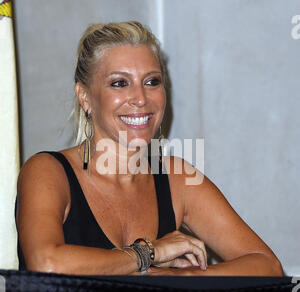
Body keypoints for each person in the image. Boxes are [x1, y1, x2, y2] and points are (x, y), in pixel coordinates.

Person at [16, 21, 283, 276]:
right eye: (119, 83)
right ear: (85, 97)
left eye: (152, 81)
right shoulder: (47, 171)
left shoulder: (178, 178)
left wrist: (179, 278)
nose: (141, 98)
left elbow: (267, 265)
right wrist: (148, 254)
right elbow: (45, 263)